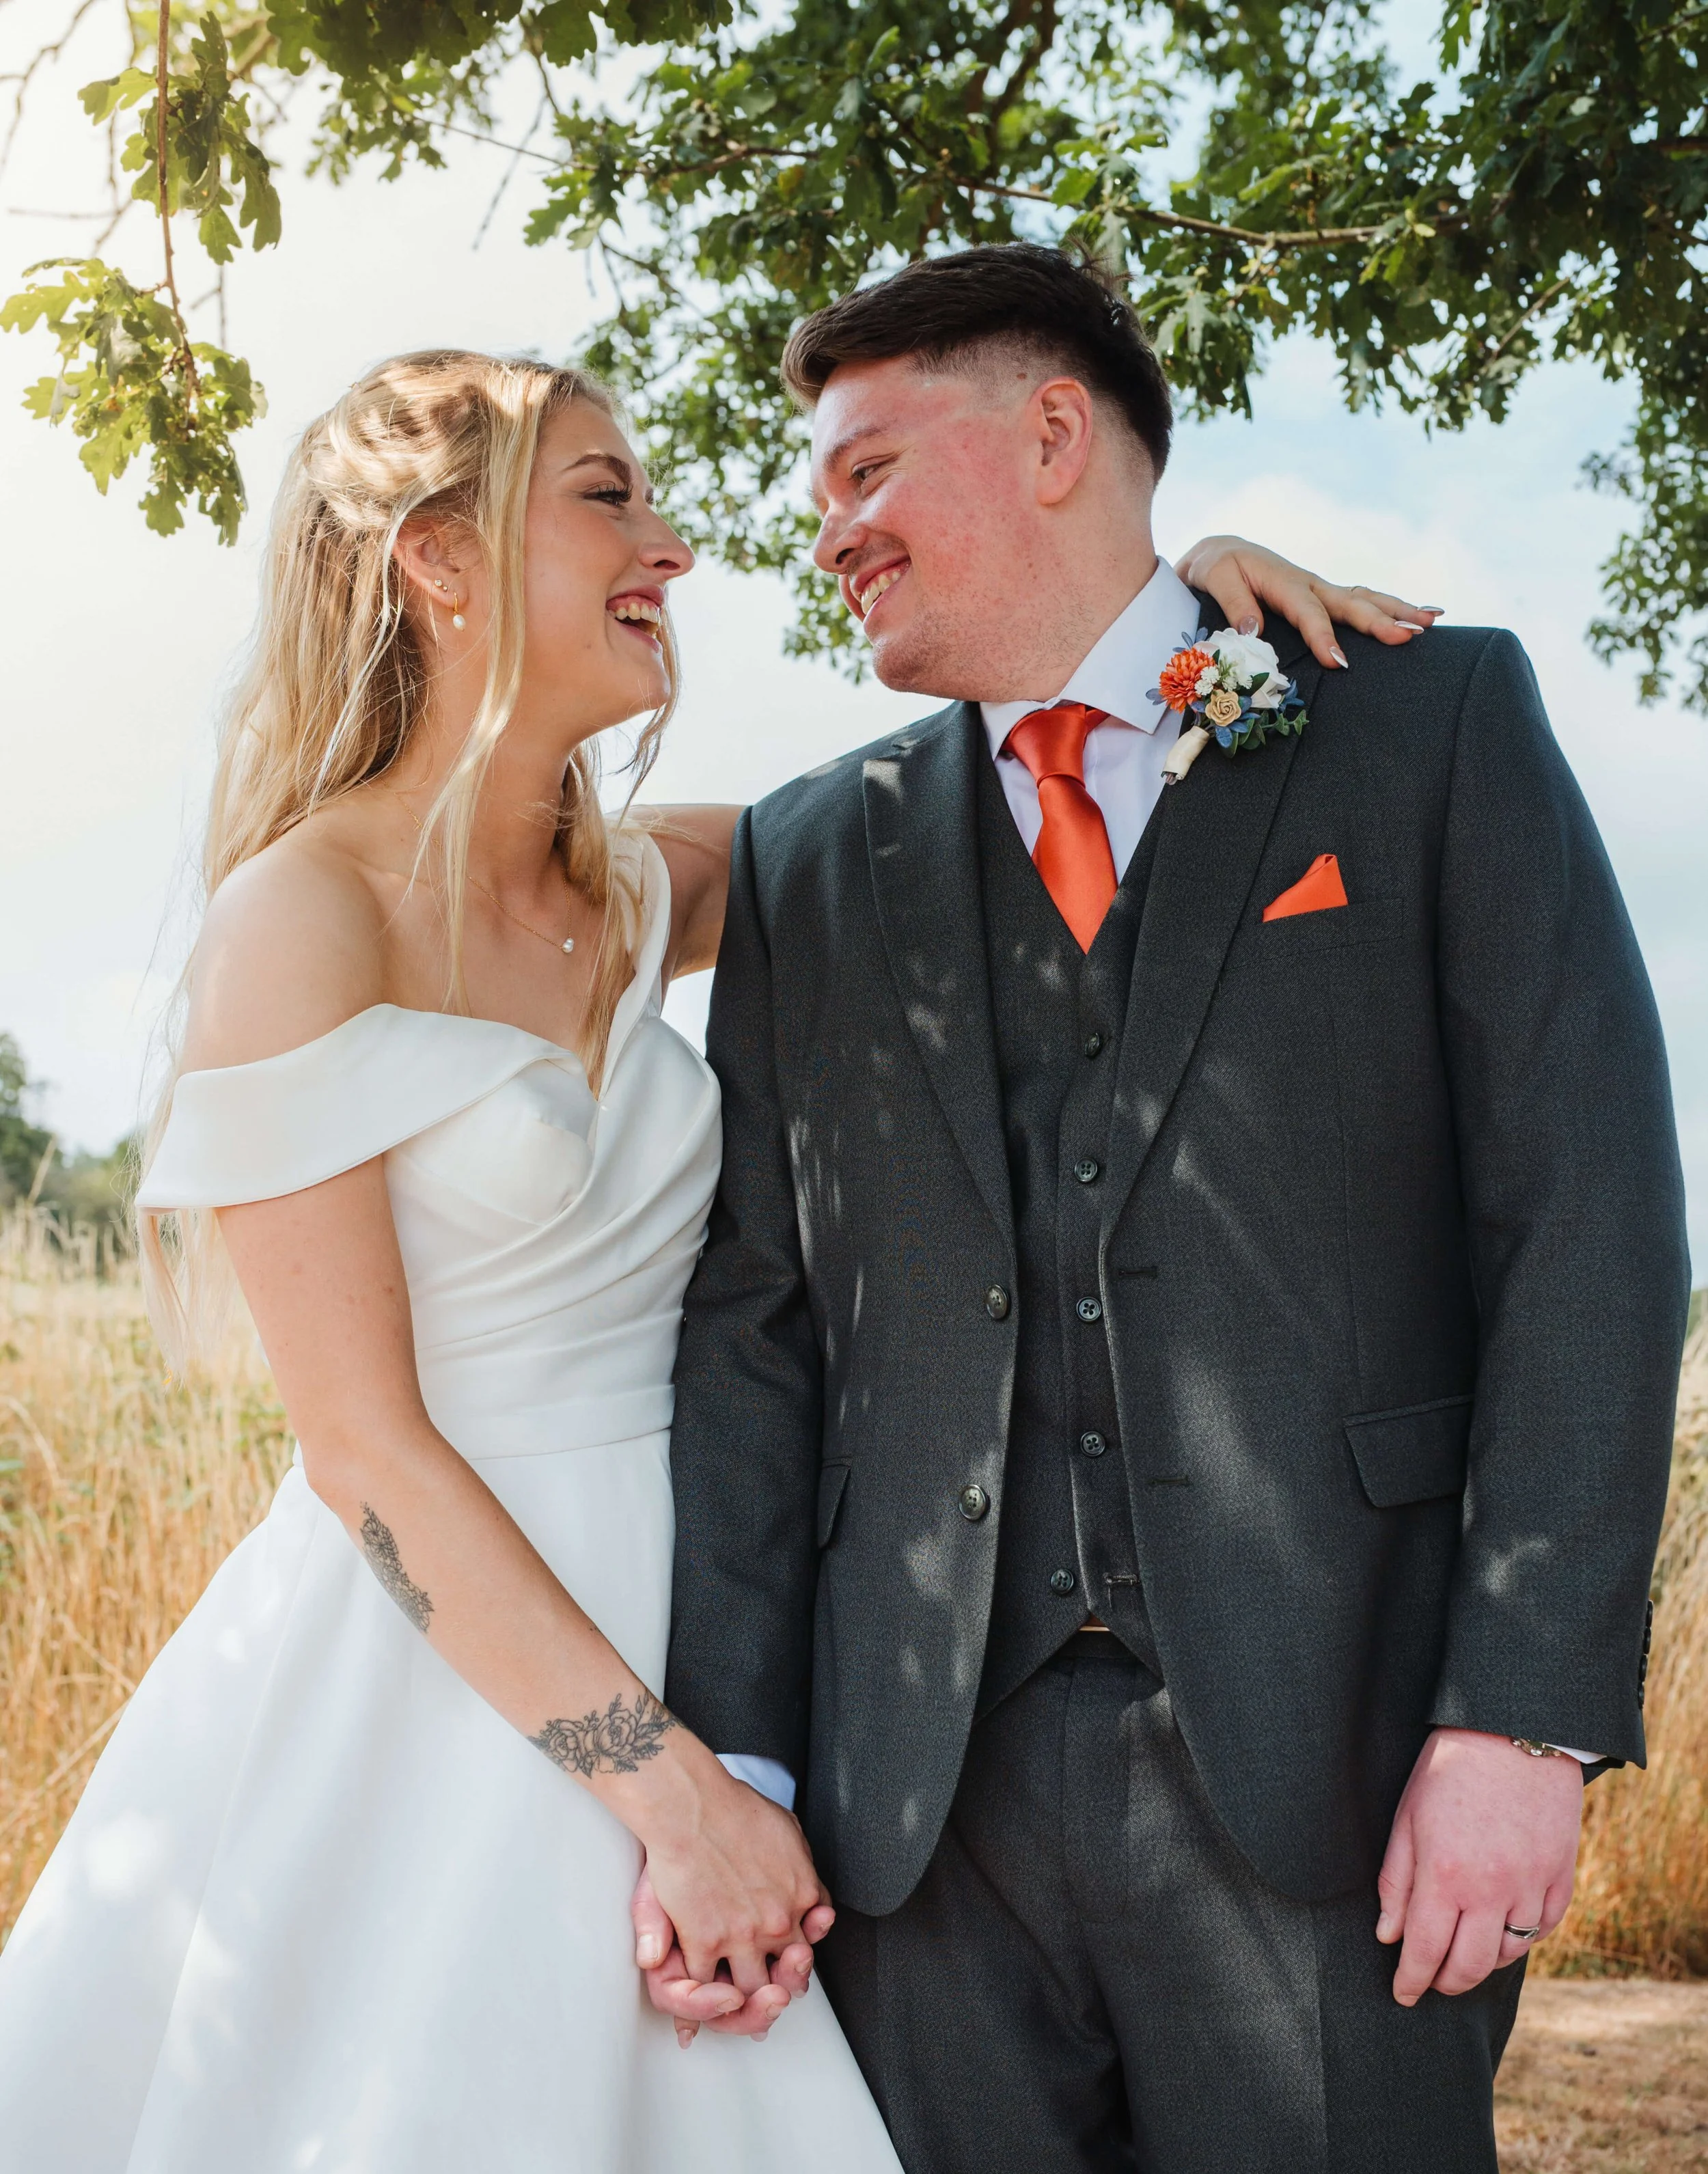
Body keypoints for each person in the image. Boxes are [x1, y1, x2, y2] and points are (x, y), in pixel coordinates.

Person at [0, 344, 1401, 2169]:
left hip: (718, 1633)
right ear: (437, 557)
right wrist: (672, 1798)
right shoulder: (306, 911)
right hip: (438, 1684)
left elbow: (995, 790)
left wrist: (1163, 598)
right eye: (606, 497)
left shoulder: (653, 885)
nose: (668, 544)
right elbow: (362, 1446)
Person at [659, 245, 1692, 2173]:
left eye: (865, 471)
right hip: (913, 1829)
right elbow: (753, 1334)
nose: (834, 535)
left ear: (1051, 435)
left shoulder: (1418, 725)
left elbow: (1591, 1223)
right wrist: (740, 1763)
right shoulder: (808, 856)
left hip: (1345, 1769)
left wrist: (1522, 1721)